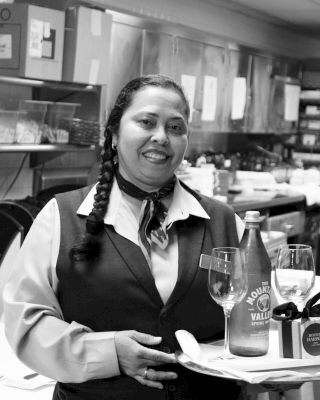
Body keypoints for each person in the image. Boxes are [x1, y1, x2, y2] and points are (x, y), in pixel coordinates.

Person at [3, 74, 245, 399]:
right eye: (146, 122)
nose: (161, 137)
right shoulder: (60, 217)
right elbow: (26, 322)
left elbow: (259, 315)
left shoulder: (225, 222)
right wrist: (107, 352)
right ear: (115, 133)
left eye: (176, 127)